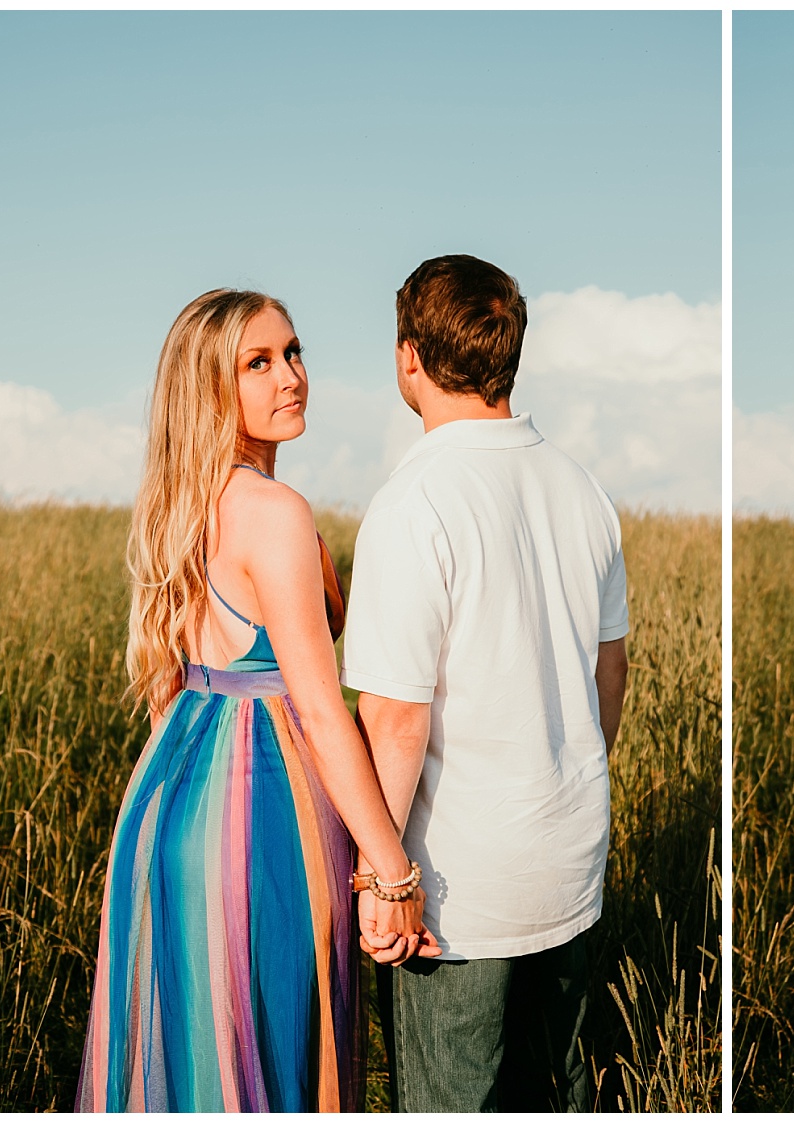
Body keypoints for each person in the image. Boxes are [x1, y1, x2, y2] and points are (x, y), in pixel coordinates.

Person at [75, 290, 439, 1112]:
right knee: (269, 1061)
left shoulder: (182, 503)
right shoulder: (273, 512)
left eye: (295, 351)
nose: (293, 375)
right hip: (261, 809)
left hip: (169, 797)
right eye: (259, 362)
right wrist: (393, 871)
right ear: (210, 387)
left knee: (194, 1063)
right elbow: (315, 704)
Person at [340, 254, 630, 1112]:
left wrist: (382, 878)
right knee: (557, 1089)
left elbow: (393, 720)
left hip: (458, 891)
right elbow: (610, 672)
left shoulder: (413, 502)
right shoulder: (584, 491)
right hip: (571, 858)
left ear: (408, 358)